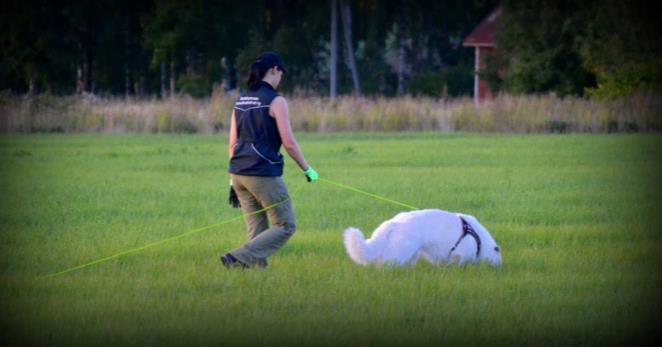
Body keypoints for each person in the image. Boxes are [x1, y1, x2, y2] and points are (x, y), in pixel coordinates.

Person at [220, 52, 318, 269]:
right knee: (285, 224)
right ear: (274, 70)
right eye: (281, 73)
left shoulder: (241, 99)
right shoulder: (277, 101)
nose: (281, 77)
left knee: (257, 230)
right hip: (262, 173)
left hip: (238, 175)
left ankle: (256, 278)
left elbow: (232, 143)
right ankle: (236, 257)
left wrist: (231, 183)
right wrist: (308, 170)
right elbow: (289, 142)